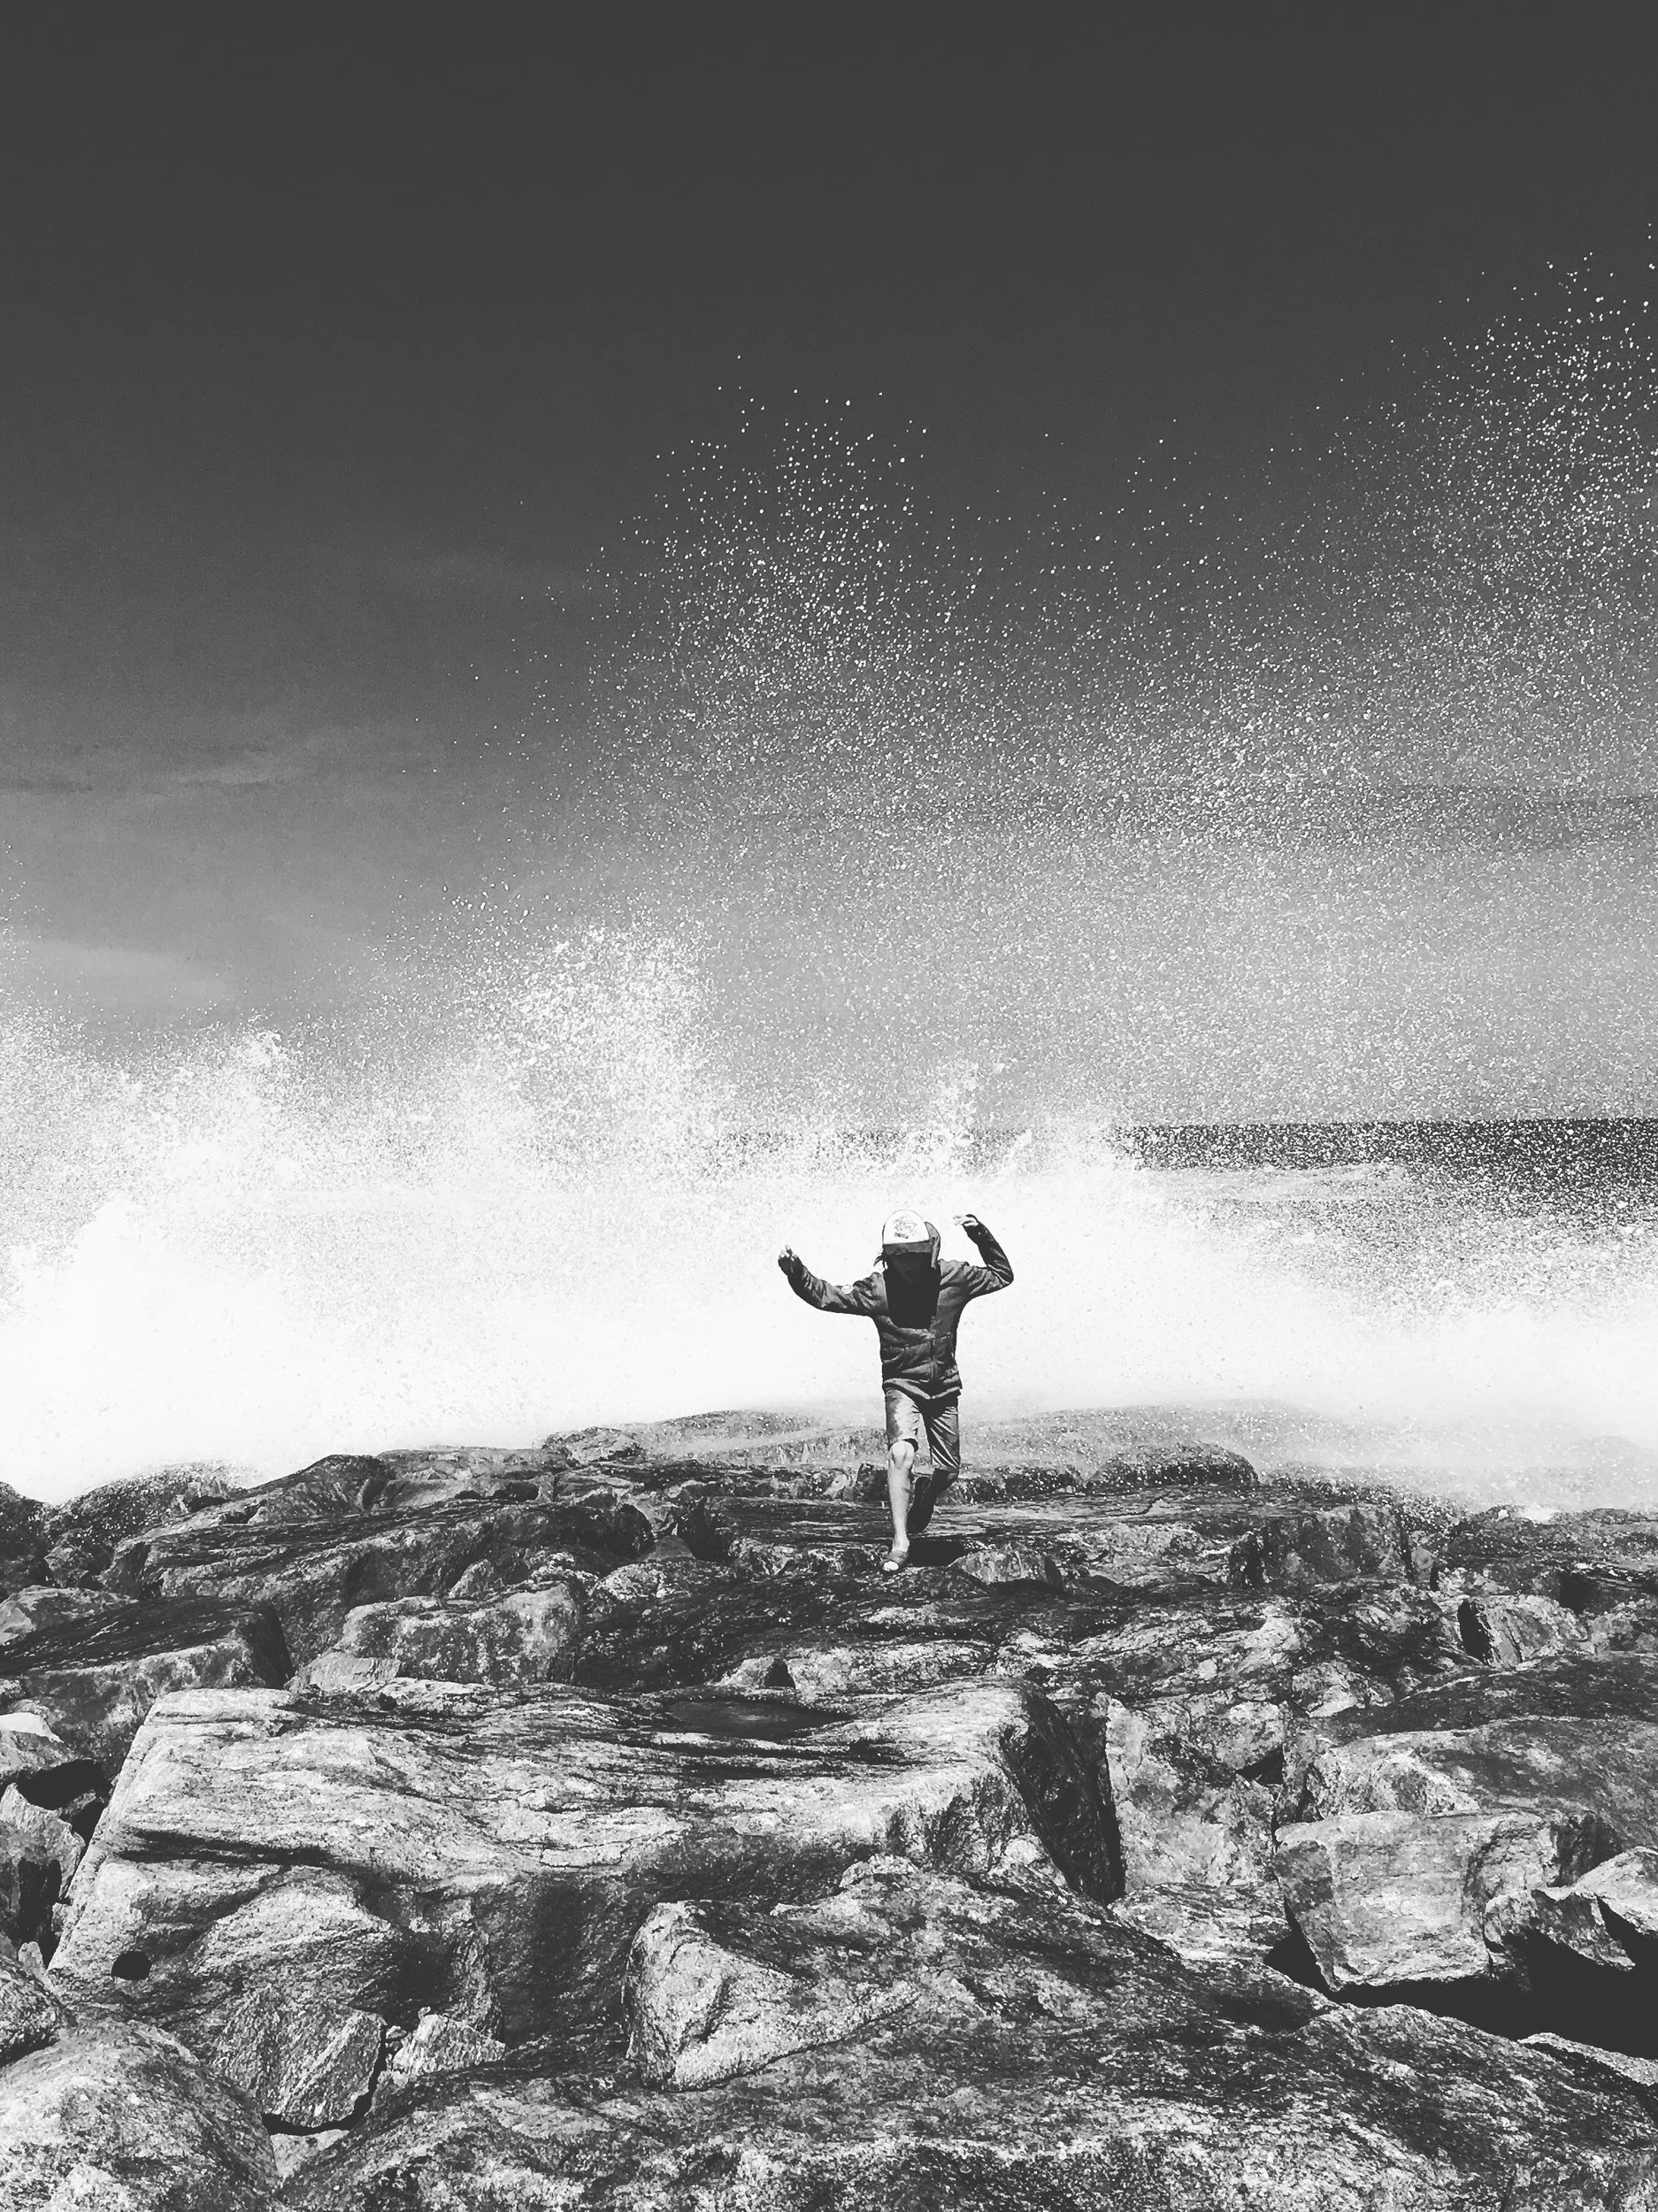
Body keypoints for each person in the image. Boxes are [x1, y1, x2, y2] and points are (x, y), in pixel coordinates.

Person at [776, 1210, 1013, 1572]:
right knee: (901, 1453)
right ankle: (900, 1542)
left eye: (914, 1257)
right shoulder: (877, 1290)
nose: (908, 1266)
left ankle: (928, 1493)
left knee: (948, 1474)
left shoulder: (955, 1277)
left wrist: (981, 1235)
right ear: (888, 1258)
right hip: (902, 1385)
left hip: (945, 1386)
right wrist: (796, 1271)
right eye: (899, 1259)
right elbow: (827, 1296)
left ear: (928, 1254)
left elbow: (1002, 1275)